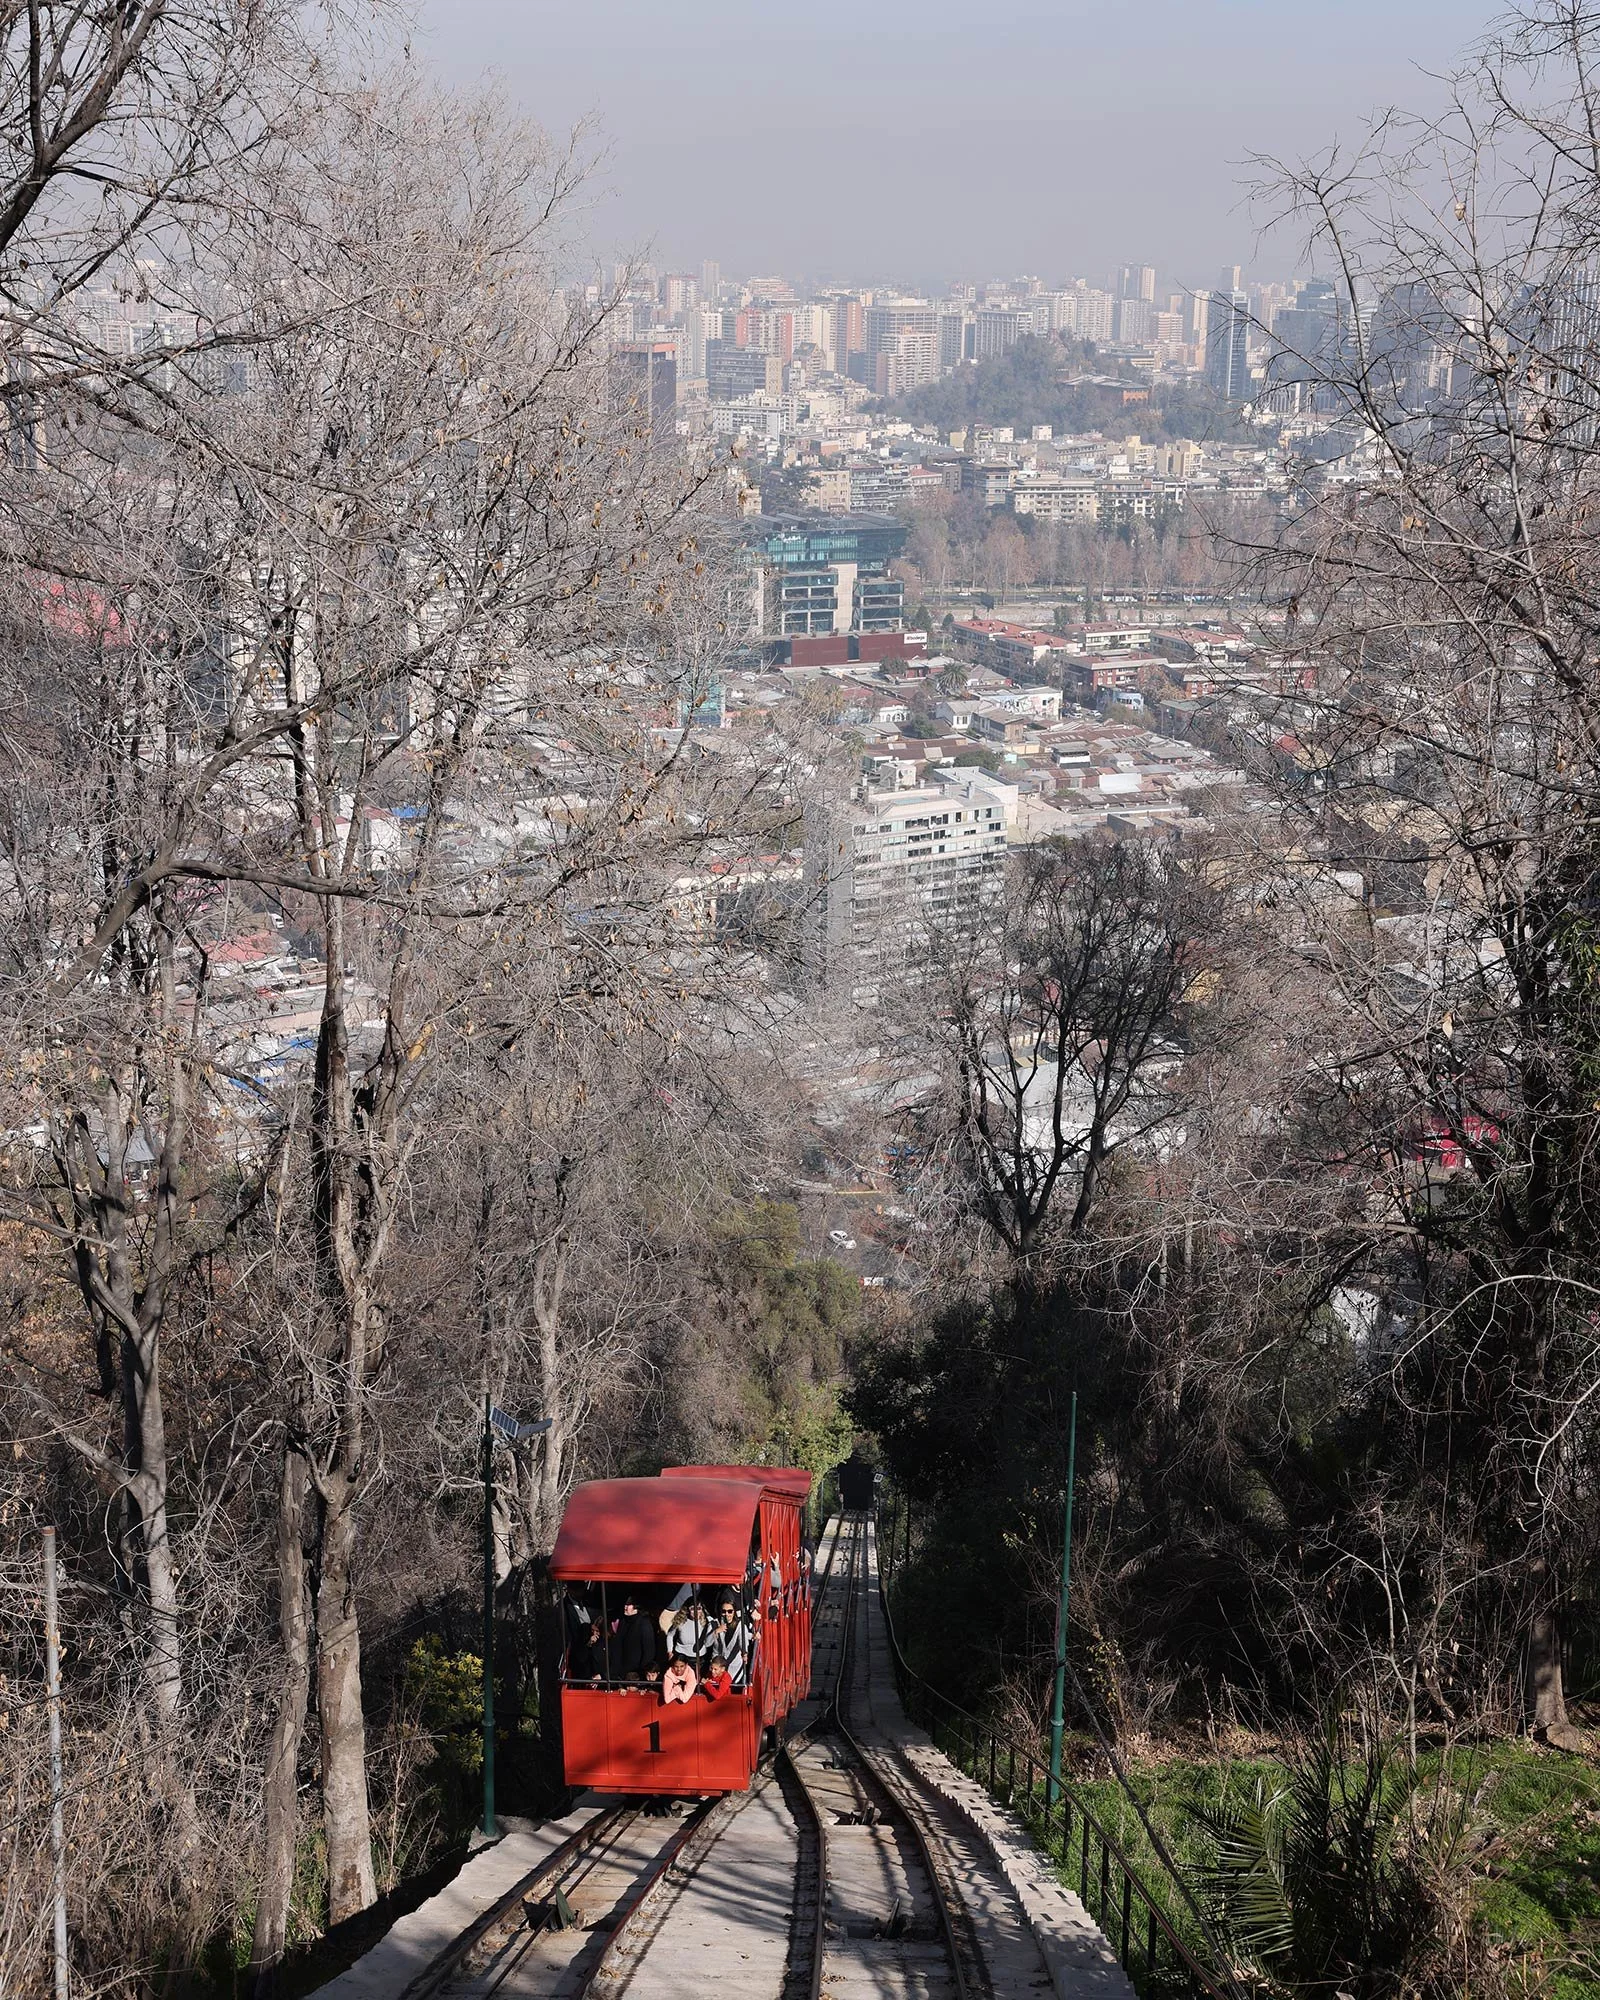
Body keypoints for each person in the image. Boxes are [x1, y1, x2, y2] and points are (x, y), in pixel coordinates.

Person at [613, 1593, 660, 1686]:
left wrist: (642, 1674)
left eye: (628, 1605)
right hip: (622, 1670)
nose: (625, 1607)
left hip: (637, 1672)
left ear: (636, 1606)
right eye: (625, 1605)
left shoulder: (644, 1623)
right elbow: (618, 1645)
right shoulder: (623, 1621)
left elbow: (648, 1652)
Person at [562, 1582, 600, 1683]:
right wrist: (587, 1636)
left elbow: (599, 1615)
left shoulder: (591, 1600)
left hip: (598, 1651)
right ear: (570, 1590)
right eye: (578, 1590)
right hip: (580, 1656)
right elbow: (569, 1633)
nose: (581, 1593)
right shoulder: (564, 1608)